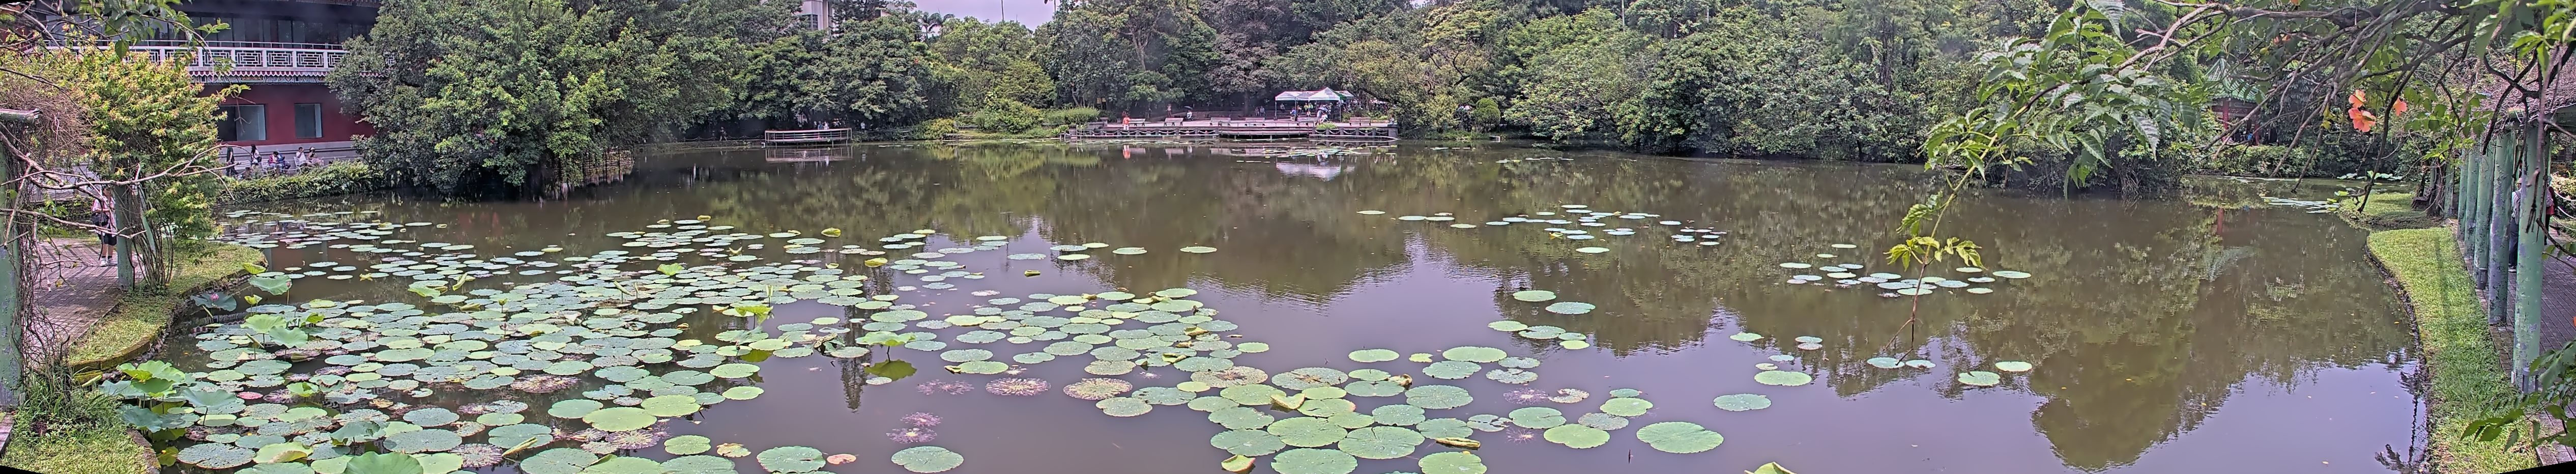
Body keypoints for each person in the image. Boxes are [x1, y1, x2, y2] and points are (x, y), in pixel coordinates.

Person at [89, 199, 114, 266]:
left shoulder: (114, 199)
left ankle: (110, 259)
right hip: (103, 225)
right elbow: (95, 210)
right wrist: (107, 210)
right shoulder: (100, 200)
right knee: (105, 241)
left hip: (113, 224)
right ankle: (103, 259)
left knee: (112, 242)